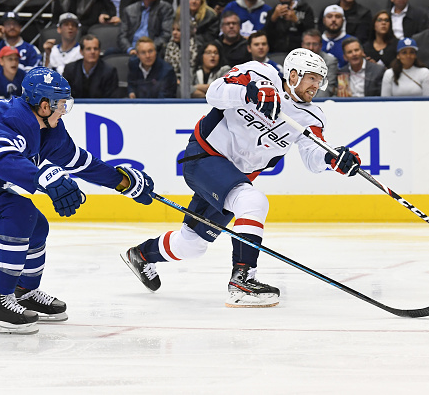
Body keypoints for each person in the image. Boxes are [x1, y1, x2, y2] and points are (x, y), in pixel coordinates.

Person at [122, 48, 362, 308]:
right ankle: (243, 281)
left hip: (232, 177)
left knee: (192, 245)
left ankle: (140, 255)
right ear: (293, 75)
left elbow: (311, 156)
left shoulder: (312, 116)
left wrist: (332, 158)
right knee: (252, 201)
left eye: (319, 80)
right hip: (205, 156)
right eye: (312, 78)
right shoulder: (259, 73)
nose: (317, 85)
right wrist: (248, 92)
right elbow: (214, 92)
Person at [0, 67, 154, 335]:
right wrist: (43, 176)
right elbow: (2, 160)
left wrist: (122, 183)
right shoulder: (11, 119)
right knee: (17, 212)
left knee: (36, 225)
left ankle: (23, 291)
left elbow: (81, 163)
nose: (64, 110)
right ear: (44, 104)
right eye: (62, 104)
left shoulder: (49, 128)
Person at [164, 18, 199, 92]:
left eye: (178, 30)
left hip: (194, 80)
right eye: (173, 29)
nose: (174, 33)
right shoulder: (168, 47)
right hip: (173, 82)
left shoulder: (197, 46)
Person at [302, 29, 338, 97]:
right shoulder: (295, 61)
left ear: (321, 45)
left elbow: (327, 87)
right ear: (302, 45)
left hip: (320, 101)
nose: (311, 48)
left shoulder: (330, 61)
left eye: (315, 44)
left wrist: (313, 103)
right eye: (308, 44)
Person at [53, 0, 120, 34]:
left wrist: (104, 14)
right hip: (66, 29)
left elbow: (109, 10)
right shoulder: (61, 1)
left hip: (89, 29)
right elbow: (55, 20)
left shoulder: (98, 1)